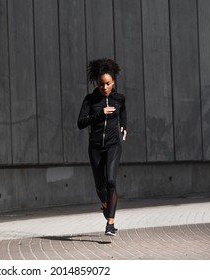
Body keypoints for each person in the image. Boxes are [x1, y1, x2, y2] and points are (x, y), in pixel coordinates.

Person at [77, 58, 127, 236]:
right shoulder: (90, 100)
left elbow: (122, 113)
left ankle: (110, 223)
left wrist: (124, 126)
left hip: (113, 145)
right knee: (100, 185)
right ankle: (106, 204)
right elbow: (81, 123)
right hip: (96, 147)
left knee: (111, 181)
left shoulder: (118, 99)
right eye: (101, 84)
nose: (105, 88)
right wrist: (99, 114)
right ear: (96, 84)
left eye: (108, 84)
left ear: (113, 82)